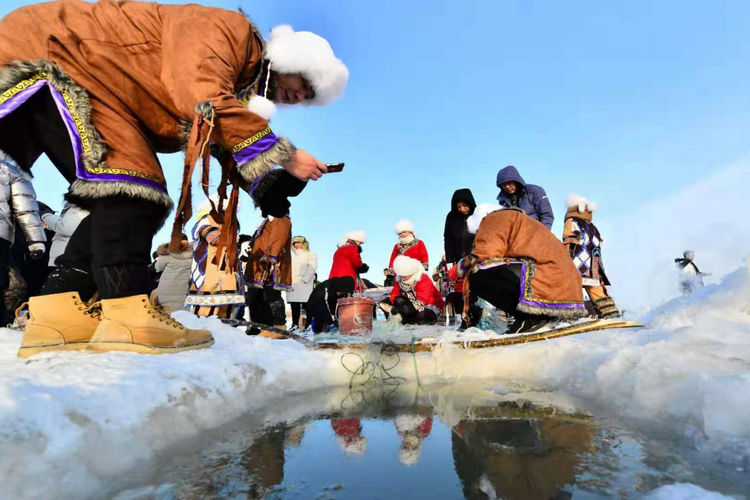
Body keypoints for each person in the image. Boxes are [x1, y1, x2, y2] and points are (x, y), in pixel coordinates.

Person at [3, 2, 348, 357]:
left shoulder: (241, 84)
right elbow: (201, 95)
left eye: (311, 96)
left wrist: (267, 186)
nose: (302, 95)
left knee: (120, 188)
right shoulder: (231, 32)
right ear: (289, 60)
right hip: (58, 53)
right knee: (135, 186)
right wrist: (287, 154)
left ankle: (60, 310)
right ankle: (127, 313)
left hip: (82, 69)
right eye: (305, 82)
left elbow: (216, 135)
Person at [454, 204, 586, 333]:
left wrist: (462, 265)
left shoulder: (491, 219)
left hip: (546, 276)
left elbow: (484, 254)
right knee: (494, 267)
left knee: (476, 275)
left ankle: (530, 317)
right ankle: (546, 316)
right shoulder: (519, 220)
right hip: (565, 282)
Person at [0, 156, 45, 329]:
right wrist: (36, 240)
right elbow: (26, 209)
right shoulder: (10, 170)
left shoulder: (10, 170)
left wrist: (36, 240)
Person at [185, 196, 245, 320]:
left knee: (227, 303)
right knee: (206, 307)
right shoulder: (207, 219)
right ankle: (203, 327)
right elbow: (213, 237)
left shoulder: (229, 223)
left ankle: (225, 329)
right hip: (210, 267)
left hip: (227, 268)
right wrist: (228, 237)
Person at [562, 195, 620, 319]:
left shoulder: (571, 221)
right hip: (594, 265)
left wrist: (564, 260)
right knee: (597, 289)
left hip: (576, 262)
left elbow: (569, 240)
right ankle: (610, 314)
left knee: (569, 289)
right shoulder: (593, 227)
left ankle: (569, 318)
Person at [384, 255, 444, 325]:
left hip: (430, 305)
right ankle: (406, 322)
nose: (403, 278)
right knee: (398, 300)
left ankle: (420, 321)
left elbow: (422, 300)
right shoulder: (399, 280)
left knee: (421, 317)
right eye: (401, 275)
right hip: (412, 305)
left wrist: (403, 310)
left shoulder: (422, 278)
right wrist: (387, 303)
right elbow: (395, 294)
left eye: (405, 275)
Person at [495, 166, 554, 230]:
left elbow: (546, 215)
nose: (507, 186)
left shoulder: (534, 191)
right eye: (503, 185)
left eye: (509, 183)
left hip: (535, 232)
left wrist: (542, 234)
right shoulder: (503, 201)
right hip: (515, 236)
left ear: (516, 181)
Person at [383, 220, 429, 286]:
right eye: (400, 233)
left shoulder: (419, 243)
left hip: (416, 273)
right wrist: (390, 274)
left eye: (404, 232)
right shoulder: (397, 246)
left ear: (410, 231)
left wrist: (424, 268)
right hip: (401, 275)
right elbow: (392, 260)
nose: (402, 234)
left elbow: (424, 256)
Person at [286, 235, 318, 331]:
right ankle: (295, 324)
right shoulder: (291, 256)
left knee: (307, 304)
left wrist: (305, 279)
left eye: (299, 243)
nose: (297, 245)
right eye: (295, 243)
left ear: (303, 243)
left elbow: (312, 267)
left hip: (304, 283)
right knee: (294, 305)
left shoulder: (310, 254)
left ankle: (309, 324)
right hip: (293, 283)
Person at [154, 237, 193, 312]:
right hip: (184, 288)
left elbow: (158, 267)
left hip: (166, 287)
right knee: (183, 311)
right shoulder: (193, 255)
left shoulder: (166, 255)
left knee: (166, 310)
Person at [444, 189, 477, 265]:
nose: (462, 209)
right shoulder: (451, 217)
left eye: (465, 205)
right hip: (459, 260)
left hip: (476, 258)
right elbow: (448, 239)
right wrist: (449, 260)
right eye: (459, 206)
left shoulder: (477, 214)